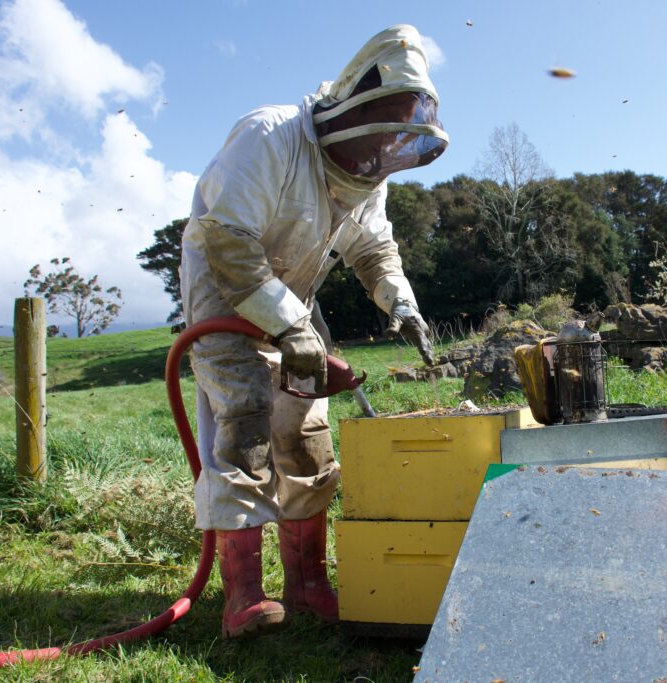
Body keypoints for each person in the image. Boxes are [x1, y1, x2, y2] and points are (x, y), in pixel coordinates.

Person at [179, 24, 445, 638]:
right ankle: (243, 594)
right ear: (351, 109)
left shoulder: (367, 179)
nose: (381, 156)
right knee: (242, 417)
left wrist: (401, 306)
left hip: (294, 296)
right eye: (379, 137)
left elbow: (375, 251)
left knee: (306, 430)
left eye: (392, 143)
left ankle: (307, 584)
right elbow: (227, 241)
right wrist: (287, 325)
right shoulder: (270, 136)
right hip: (223, 284)